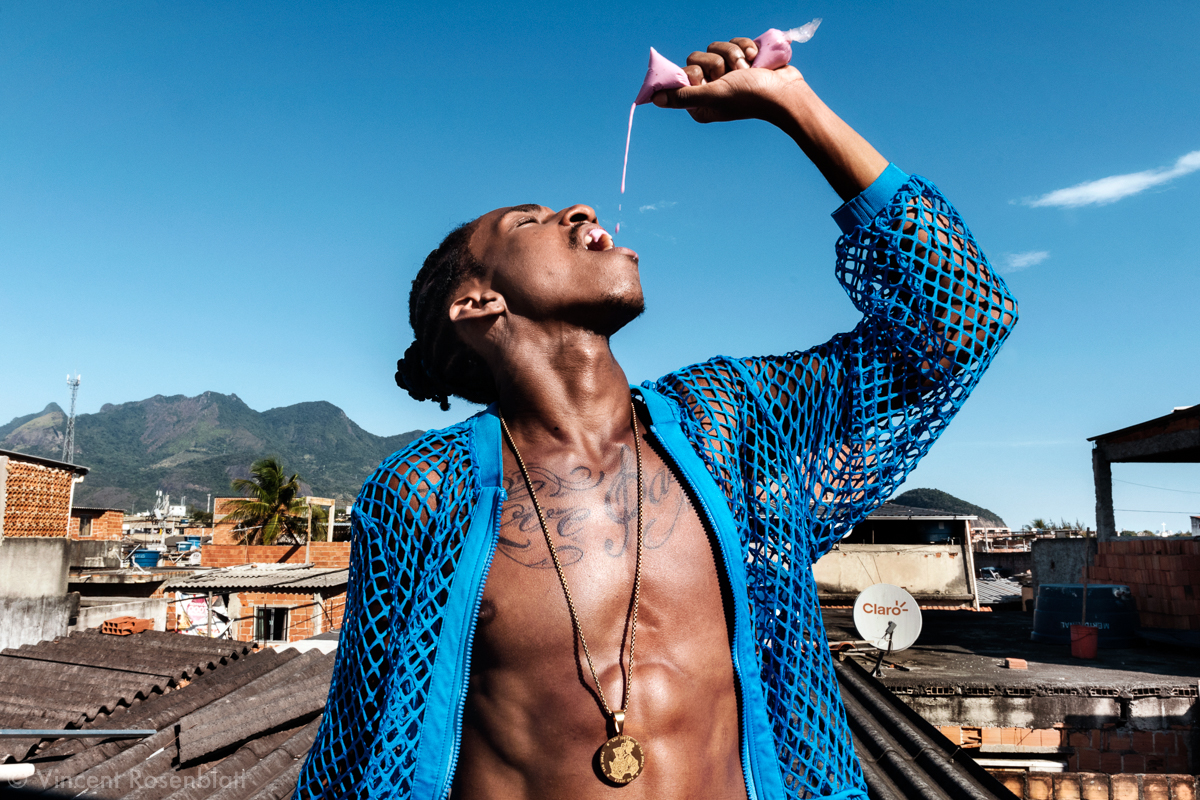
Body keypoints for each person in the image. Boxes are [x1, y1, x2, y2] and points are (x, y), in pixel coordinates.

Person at [295, 34, 1017, 800]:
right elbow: (356, 746)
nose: (579, 210)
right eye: (529, 222)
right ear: (479, 304)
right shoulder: (423, 495)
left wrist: (791, 105)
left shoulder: (730, 428)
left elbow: (962, 315)